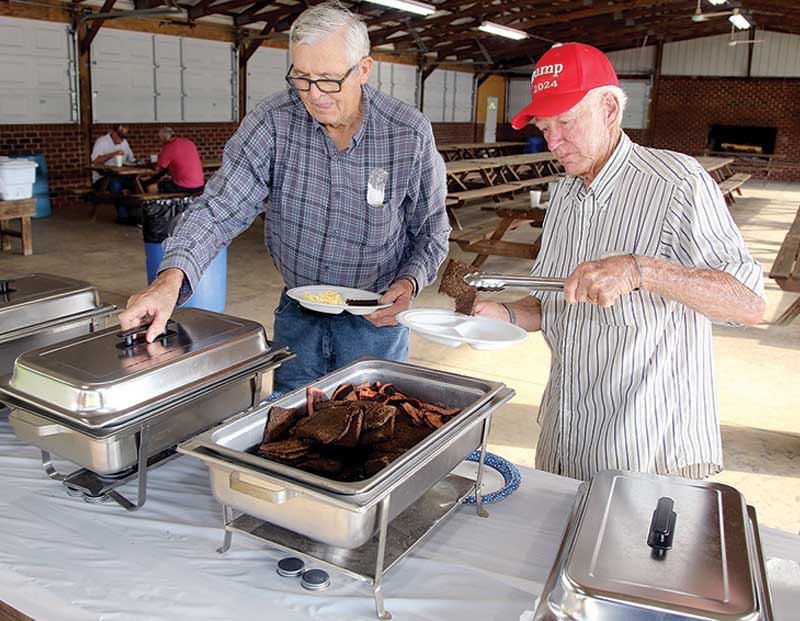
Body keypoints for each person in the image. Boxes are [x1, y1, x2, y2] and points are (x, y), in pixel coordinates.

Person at [118, 2, 449, 393]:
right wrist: (170, 279)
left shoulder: (407, 132)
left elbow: (431, 232)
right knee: (292, 428)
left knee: (374, 432)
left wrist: (409, 283)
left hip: (375, 325)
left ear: (363, 69)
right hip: (298, 317)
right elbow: (221, 206)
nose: (314, 95)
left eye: (328, 79)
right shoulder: (274, 120)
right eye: (302, 78)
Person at [475, 42, 765, 481]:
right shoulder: (566, 195)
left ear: (610, 108)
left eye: (566, 122)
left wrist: (640, 270)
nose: (553, 141)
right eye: (543, 125)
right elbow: (554, 299)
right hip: (566, 436)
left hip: (646, 450)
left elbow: (747, 303)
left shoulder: (677, 183)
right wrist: (501, 314)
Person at [144, 127, 205, 195]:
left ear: (164, 139)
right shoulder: (189, 142)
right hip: (200, 185)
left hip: (185, 186)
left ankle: (155, 205)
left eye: (160, 139)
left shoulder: (168, 147)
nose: (161, 142)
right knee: (167, 182)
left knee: (151, 188)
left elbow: (158, 168)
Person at [89, 124, 135, 192]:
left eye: (124, 138)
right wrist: (113, 154)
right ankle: (117, 202)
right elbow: (95, 161)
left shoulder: (124, 142)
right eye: (121, 137)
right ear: (114, 133)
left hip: (120, 176)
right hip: (103, 178)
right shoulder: (102, 141)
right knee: (116, 184)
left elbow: (131, 159)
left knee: (138, 183)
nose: (122, 140)